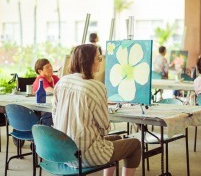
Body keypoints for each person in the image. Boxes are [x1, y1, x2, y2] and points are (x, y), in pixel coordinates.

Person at [52, 44, 141, 176]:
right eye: (98, 58)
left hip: (63, 151)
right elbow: (105, 127)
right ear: (88, 61)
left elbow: (54, 114)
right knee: (135, 145)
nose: (100, 61)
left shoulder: (61, 82)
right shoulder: (96, 87)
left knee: (117, 138)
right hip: (84, 155)